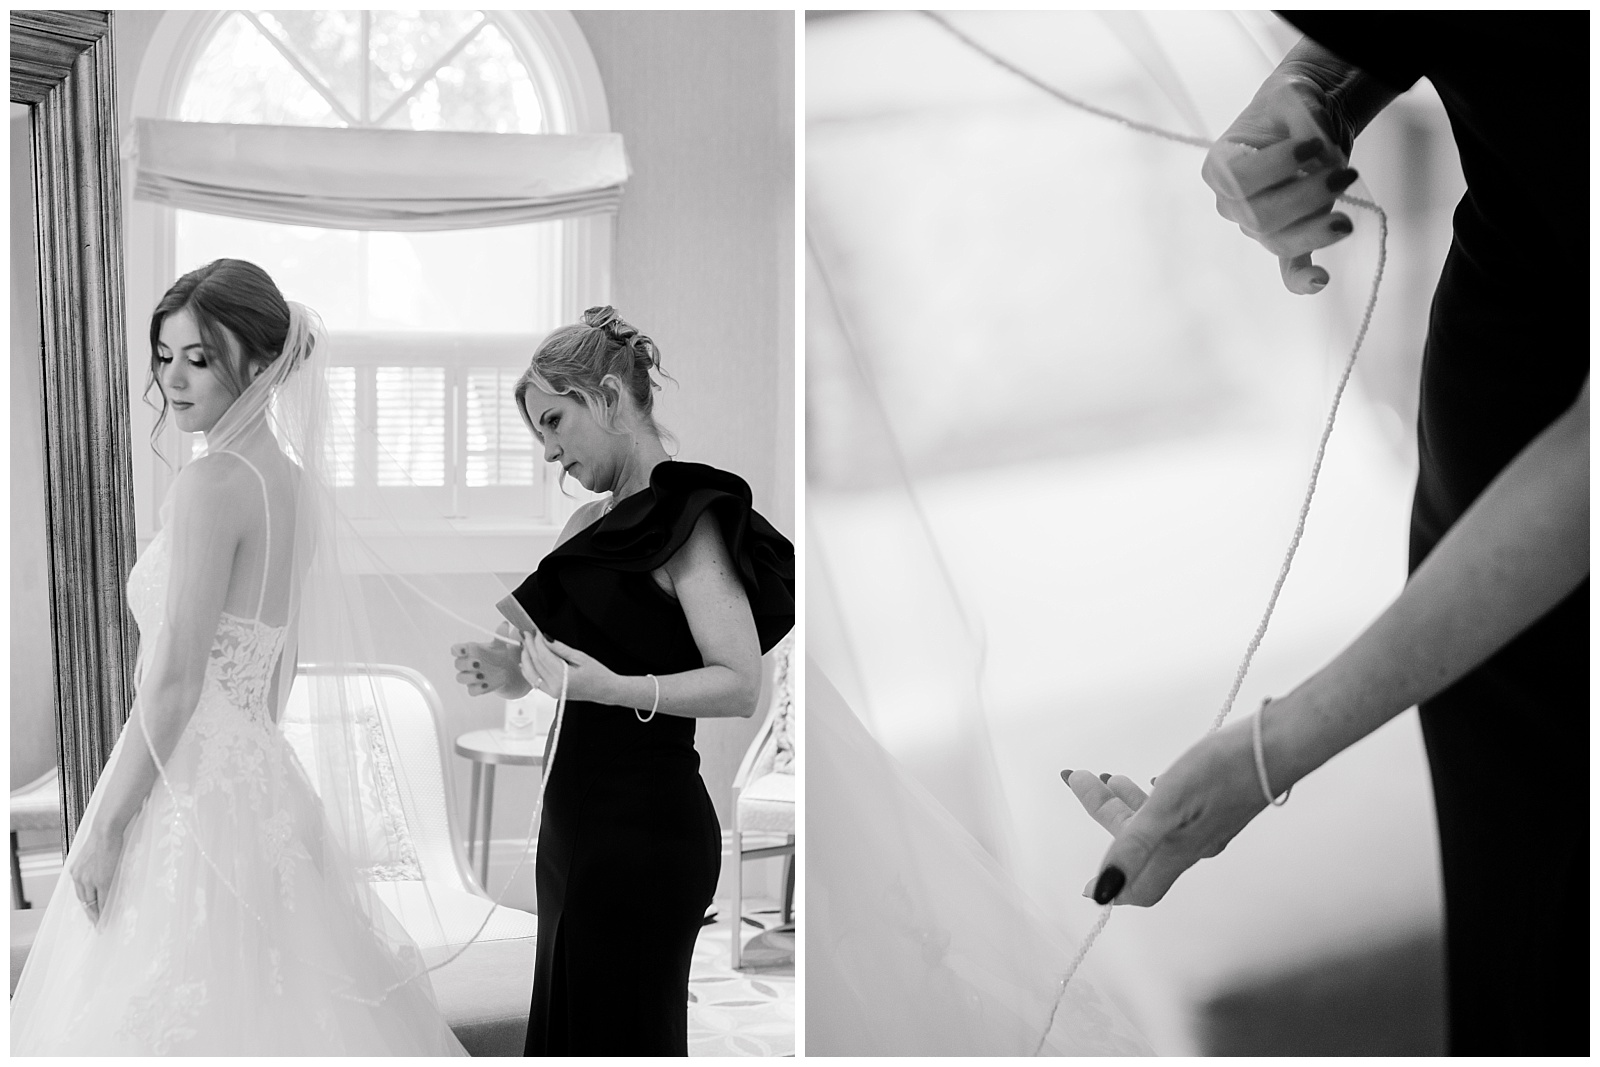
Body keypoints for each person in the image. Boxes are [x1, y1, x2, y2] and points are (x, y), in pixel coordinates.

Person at [1065, 13, 1588, 1055]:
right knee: (1525, 947)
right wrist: (1317, 85)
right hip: (1497, 419)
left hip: (1566, 485)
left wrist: (1270, 749)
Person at [10, 259, 467, 1055]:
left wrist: (107, 827)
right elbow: (272, 670)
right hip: (255, 773)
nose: (174, 379)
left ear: (256, 362)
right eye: (165, 355)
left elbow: (176, 679)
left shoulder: (211, 483)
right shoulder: (291, 485)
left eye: (199, 357)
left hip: (182, 779)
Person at [450, 306, 795, 1056]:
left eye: (554, 421)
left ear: (607, 397)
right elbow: (561, 672)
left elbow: (741, 686)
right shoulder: (584, 529)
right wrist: (510, 670)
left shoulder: (691, 523)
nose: (549, 452)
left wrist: (617, 687)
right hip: (574, 827)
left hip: (646, 831)